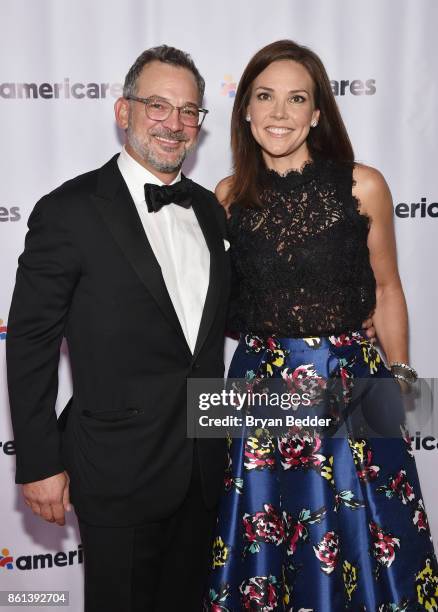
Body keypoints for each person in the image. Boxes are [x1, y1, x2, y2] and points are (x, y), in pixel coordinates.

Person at [205, 40, 437, 611]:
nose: (279, 113)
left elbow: (387, 288)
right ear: (246, 110)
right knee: (265, 533)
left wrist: (402, 380)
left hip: (352, 378)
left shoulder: (365, 185)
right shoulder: (226, 197)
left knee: (372, 535)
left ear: (316, 113)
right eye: (265, 97)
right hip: (257, 386)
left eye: (296, 99)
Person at [7, 45, 231, 612]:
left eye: (188, 111)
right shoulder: (70, 210)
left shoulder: (209, 209)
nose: (174, 123)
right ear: (122, 110)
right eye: (158, 105)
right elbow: (30, 344)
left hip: (205, 469)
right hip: (116, 468)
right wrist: (39, 463)